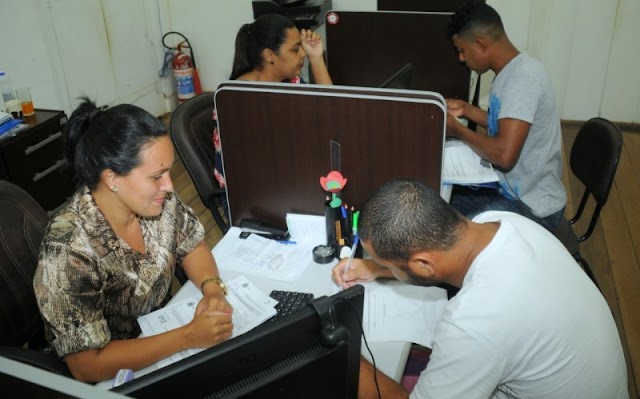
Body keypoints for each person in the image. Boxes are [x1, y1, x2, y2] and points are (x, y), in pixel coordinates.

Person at [332, 178, 628, 399]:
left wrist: (344, 354)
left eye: (390, 263)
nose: (385, 267)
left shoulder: (475, 323)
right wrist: (380, 269)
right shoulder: (499, 223)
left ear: (422, 264)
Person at [33, 97, 234, 383]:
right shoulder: (69, 248)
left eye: (169, 171)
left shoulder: (155, 200)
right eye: (156, 176)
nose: (169, 185)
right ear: (112, 179)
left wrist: (212, 289)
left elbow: (192, 244)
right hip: (116, 377)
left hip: (162, 340)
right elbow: (86, 365)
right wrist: (189, 336)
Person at [445, 0, 566, 233]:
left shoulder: (523, 80)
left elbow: (504, 155)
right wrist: (467, 110)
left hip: (532, 209)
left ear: (480, 44)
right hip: (512, 190)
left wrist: (458, 129)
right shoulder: (511, 71)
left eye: (462, 51)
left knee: (442, 230)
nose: (461, 58)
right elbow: (506, 122)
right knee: (438, 199)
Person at [212, 13, 332, 188]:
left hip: (284, 179)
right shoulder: (237, 98)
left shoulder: (290, 82)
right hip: (246, 191)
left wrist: (316, 58)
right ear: (269, 55)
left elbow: (330, 107)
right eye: (295, 49)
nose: (303, 54)